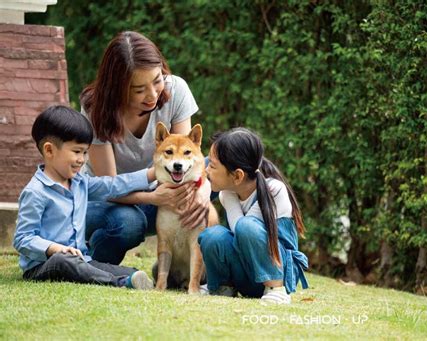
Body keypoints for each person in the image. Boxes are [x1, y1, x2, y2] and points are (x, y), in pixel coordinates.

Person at [80, 31, 210, 265]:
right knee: (129, 224)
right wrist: (153, 198)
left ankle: (211, 260)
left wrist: (201, 190)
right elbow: (109, 187)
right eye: (138, 89)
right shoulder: (95, 108)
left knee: (221, 165)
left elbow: (186, 154)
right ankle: (93, 255)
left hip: (159, 191)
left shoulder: (176, 90)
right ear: (116, 88)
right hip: (108, 200)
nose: (152, 95)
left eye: (157, 80)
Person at [13, 105, 155, 289]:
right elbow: (22, 238)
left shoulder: (80, 182)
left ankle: (130, 277)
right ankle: (119, 283)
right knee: (63, 261)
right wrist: (55, 249)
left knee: (128, 271)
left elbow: (112, 185)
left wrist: (152, 174)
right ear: (49, 151)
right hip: (45, 265)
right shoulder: (36, 192)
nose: (82, 159)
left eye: (85, 152)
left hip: (82, 259)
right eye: (76, 151)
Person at [199, 128, 309, 304]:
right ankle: (223, 287)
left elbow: (243, 229)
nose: (206, 170)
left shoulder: (274, 190)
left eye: (212, 166)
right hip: (248, 274)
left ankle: (276, 289)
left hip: (279, 271)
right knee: (211, 236)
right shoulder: (227, 194)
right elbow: (237, 237)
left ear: (237, 176)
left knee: (246, 226)